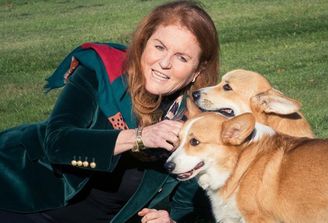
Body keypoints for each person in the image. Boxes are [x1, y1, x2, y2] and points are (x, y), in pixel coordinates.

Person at [0, 1, 219, 223]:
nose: (164, 63)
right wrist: (140, 137)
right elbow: (58, 143)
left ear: (197, 70)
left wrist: (170, 219)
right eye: (159, 47)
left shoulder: (197, 124)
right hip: (24, 198)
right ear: (144, 43)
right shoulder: (103, 72)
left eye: (181, 57)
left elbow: (192, 206)